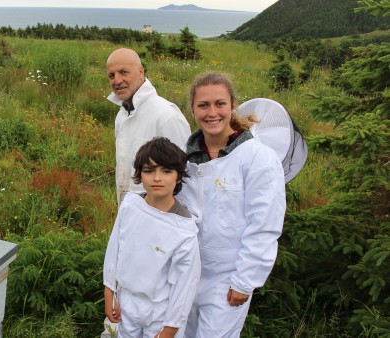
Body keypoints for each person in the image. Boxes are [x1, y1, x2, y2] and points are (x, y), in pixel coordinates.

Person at [178, 72, 286, 337]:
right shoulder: (184, 158)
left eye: (220, 104)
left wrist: (244, 280)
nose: (212, 112)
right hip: (186, 274)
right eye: (203, 105)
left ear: (232, 106)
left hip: (228, 278)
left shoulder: (257, 157)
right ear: (192, 110)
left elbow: (264, 225)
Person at [103, 137, 201, 338]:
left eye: (166, 171)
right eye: (149, 170)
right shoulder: (130, 205)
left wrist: (171, 327)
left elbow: (185, 283)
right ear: (140, 174)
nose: (157, 178)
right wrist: (109, 291)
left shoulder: (183, 228)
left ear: (178, 177)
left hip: (161, 311)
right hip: (127, 300)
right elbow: (115, 249)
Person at [106, 48, 191, 204]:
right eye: (111, 75)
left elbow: (184, 176)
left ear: (141, 72)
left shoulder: (166, 115)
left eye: (123, 72)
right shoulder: (122, 115)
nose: (117, 80)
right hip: (130, 211)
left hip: (160, 216)